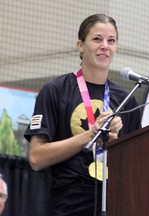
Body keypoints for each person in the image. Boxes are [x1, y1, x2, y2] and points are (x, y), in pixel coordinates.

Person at [24, 14, 142, 216]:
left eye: (111, 40)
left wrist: (114, 143)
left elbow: (137, 166)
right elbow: (36, 158)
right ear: (80, 45)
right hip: (68, 205)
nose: (105, 45)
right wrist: (92, 134)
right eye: (97, 39)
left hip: (115, 202)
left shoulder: (127, 100)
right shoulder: (56, 90)